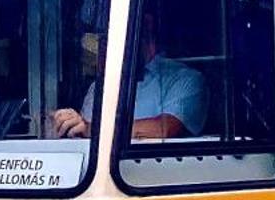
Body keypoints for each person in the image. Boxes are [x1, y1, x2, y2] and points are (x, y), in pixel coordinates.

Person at [51, 9, 207, 141]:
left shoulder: (185, 78)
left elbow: (165, 129)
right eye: (105, 38)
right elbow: (85, 131)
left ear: (147, 29)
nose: (106, 45)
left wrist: (90, 129)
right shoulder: (99, 86)